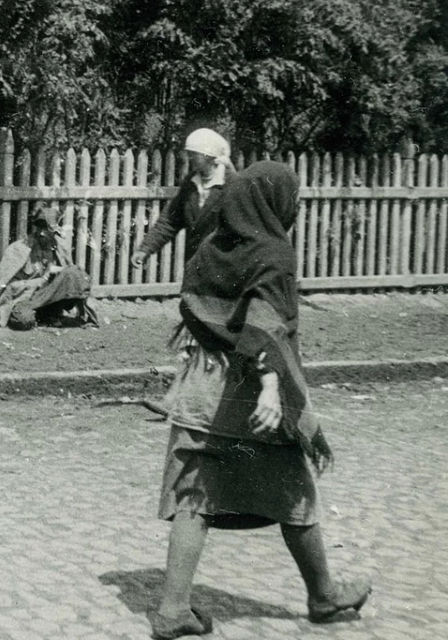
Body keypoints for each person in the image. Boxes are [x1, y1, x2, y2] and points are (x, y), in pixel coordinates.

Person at [149, 162, 370, 639]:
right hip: (249, 402)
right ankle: (324, 596)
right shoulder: (274, 252)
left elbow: (193, 305)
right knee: (293, 490)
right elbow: (265, 321)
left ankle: (172, 610)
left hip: (201, 391)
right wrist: (271, 385)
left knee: (196, 495)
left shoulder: (211, 247)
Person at [131, 128, 235, 271]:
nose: (190, 158)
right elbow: (170, 220)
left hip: (225, 266)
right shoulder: (191, 184)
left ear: (210, 156)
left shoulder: (232, 185)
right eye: (190, 154)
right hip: (195, 264)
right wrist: (145, 249)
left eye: (194, 154)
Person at [0, 209, 98, 330]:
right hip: (24, 298)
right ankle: (45, 316)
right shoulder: (19, 249)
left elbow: (74, 281)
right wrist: (44, 277)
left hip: (48, 297)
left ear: (55, 230)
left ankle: (80, 318)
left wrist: (60, 272)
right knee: (24, 320)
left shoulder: (59, 248)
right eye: (39, 227)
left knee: (75, 271)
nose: (41, 232)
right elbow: (6, 286)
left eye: (46, 228)